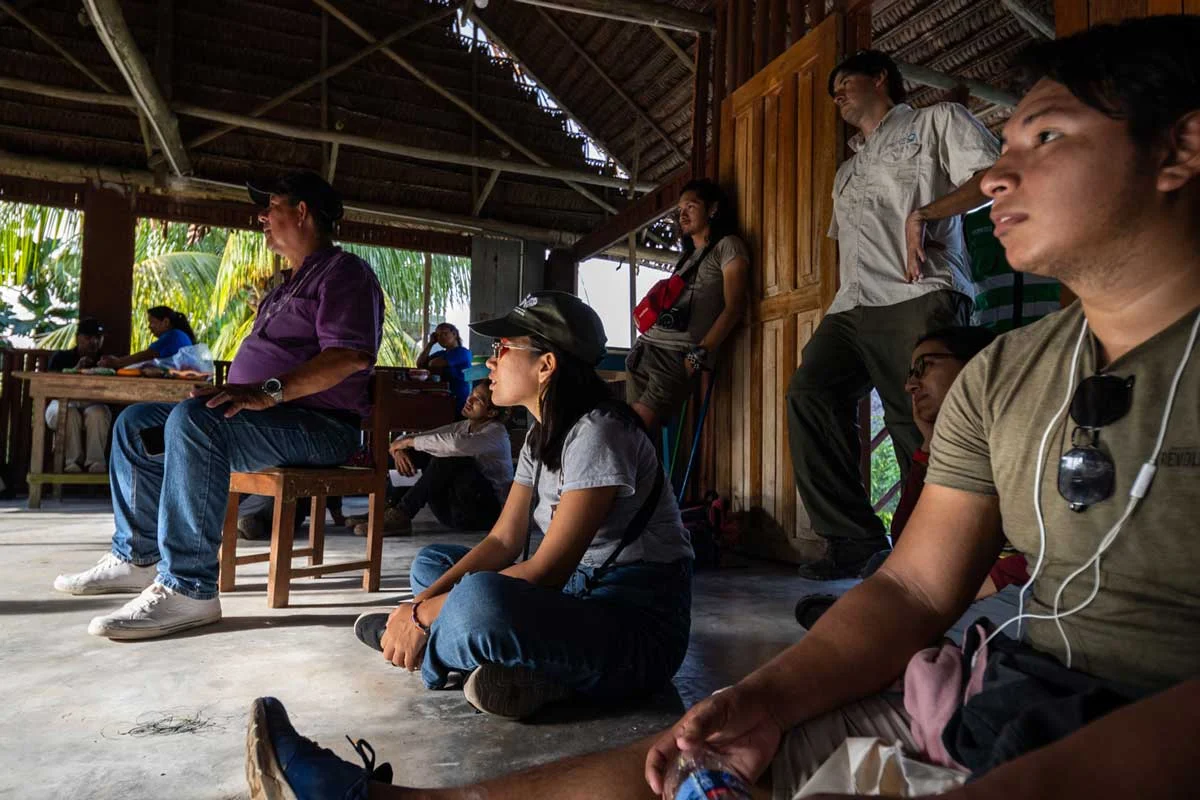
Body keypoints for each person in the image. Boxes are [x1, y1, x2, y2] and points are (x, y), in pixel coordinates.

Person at [242, 17, 1200, 799]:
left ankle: (482, 649)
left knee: (484, 596)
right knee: (688, 750)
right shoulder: (1008, 373)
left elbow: (541, 563)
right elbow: (913, 592)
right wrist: (764, 696)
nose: (998, 175)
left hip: (1126, 720)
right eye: (1011, 141)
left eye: (1046, 138)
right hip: (1006, 686)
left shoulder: (609, 423)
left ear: (1180, 149)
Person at [54, 170, 384, 640]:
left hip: (318, 426)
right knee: (136, 424)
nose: (262, 217)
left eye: (271, 206)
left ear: (302, 211)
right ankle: (137, 557)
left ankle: (190, 588)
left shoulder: (344, 272)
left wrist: (265, 391)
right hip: (261, 419)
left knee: (196, 423)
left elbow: (349, 356)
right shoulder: (284, 286)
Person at [351, 290, 694, 721]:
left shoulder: (600, 432)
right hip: (576, 597)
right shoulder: (539, 435)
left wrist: (420, 617)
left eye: (502, 349)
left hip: (635, 624)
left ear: (546, 365)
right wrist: (423, 604)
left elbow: (547, 571)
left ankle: (434, 648)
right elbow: (502, 541)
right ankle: (531, 671)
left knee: (479, 601)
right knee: (431, 565)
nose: (490, 363)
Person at [787, 49, 1000, 580]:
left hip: (917, 291)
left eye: (845, 82)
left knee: (917, 417)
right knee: (809, 393)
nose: (837, 94)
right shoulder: (847, 172)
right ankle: (852, 539)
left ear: (881, 78)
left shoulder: (936, 122)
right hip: (852, 303)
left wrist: (925, 214)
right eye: (832, 90)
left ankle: (930, 553)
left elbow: (994, 175)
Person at [794, 326, 1030, 631]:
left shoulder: (1022, 436)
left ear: (977, 365)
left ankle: (879, 625)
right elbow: (907, 538)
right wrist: (929, 442)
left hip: (1019, 590)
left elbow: (1055, 550)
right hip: (966, 582)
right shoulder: (960, 446)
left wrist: (971, 590)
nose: (910, 385)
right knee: (884, 564)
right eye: (910, 373)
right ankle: (884, 623)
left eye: (925, 367)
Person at [626, 178, 750, 430]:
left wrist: (696, 358)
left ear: (712, 209)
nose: (682, 215)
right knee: (632, 435)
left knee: (634, 432)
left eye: (691, 207)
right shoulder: (686, 258)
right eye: (680, 210)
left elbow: (735, 308)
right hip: (643, 350)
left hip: (674, 356)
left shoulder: (728, 246)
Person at [345, 381, 512, 536]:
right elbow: (422, 437)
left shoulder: (496, 432)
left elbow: (455, 445)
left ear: (491, 412)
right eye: (472, 394)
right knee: (417, 450)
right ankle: (388, 509)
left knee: (450, 456)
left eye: (478, 400)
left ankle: (402, 515)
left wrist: (407, 442)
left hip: (483, 513)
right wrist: (400, 449)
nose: (469, 400)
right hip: (454, 510)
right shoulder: (464, 426)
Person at [46, 317, 112, 473]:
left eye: (98, 338)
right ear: (78, 338)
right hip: (61, 402)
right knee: (69, 413)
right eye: (88, 337)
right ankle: (72, 463)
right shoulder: (61, 357)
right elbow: (50, 385)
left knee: (98, 413)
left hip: (93, 404)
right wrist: (76, 370)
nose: (93, 342)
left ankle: (96, 463)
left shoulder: (107, 361)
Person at [98, 305, 196, 369]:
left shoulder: (173, 336)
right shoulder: (180, 335)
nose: (149, 327)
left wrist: (117, 362)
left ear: (166, 322)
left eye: (152, 322)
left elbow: (144, 356)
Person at [416, 322, 472, 414]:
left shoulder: (462, 352)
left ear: (454, 334)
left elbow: (434, 364)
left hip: (458, 401)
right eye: (438, 335)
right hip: (443, 398)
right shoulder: (441, 353)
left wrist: (430, 363)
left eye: (445, 334)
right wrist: (430, 343)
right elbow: (420, 364)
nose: (441, 337)